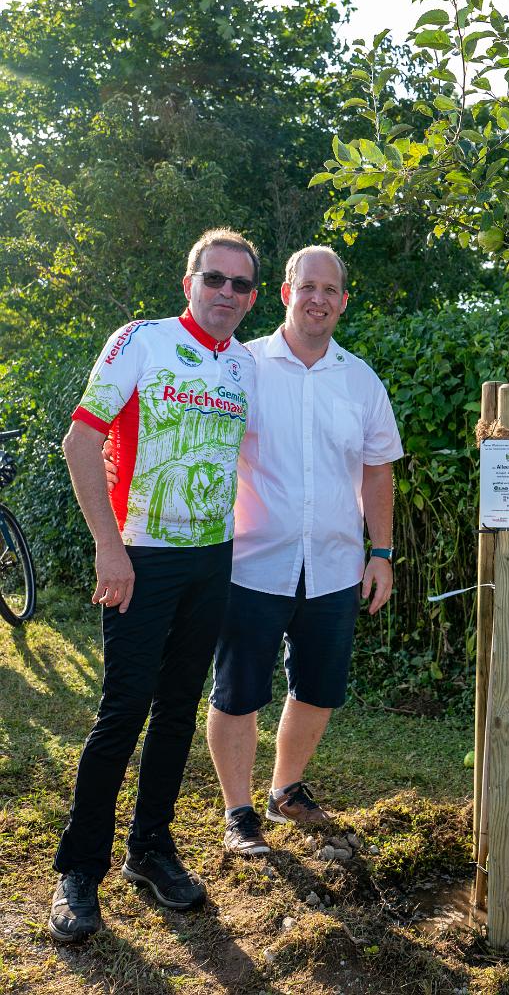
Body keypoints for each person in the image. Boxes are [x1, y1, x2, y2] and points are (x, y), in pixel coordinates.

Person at [49, 229, 259, 943]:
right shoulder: (142, 339)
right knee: (124, 709)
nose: (226, 292)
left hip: (211, 559)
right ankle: (79, 870)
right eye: (215, 278)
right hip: (140, 556)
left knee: (176, 712)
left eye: (240, 284)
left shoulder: (243, 368)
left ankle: (151, 849)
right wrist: (110, 548)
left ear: (253, 297)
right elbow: (81, 441)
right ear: (189, 280)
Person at [206, 245, 403, 857]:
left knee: (318, 689)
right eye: (307, 286)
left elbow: (377, 471)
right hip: (252, 563)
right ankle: (240, 813)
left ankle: (286, 789)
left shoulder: (361, 379)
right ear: (286, 292)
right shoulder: (243, 367)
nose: (318, 298)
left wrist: (382, 551)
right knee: (238, 691)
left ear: (343, 301)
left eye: (331, 289)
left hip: (335, 568)